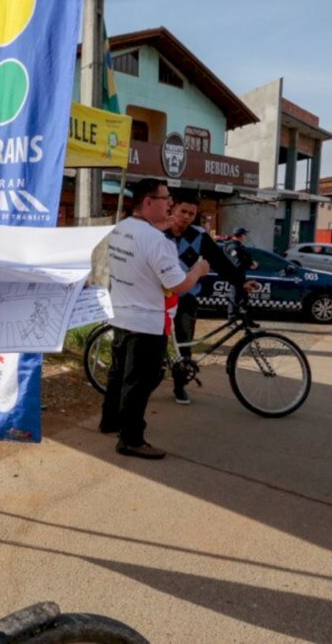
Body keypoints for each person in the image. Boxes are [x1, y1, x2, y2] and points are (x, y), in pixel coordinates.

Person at [99, 178, 210, 459]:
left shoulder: (121, 228)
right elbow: (177, 284)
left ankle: (110, 421)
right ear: (148, 202)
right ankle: (131, 439)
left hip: (122, 315)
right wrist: (198, 270)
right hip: (147, 321)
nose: (170, 204)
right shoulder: (156, 240)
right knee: (141, 382)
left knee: (119, 375)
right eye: (165, 199)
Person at [163, 194, 257, 405]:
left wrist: (241, 281)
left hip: (186, 297)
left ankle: (179, 386)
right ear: (173, 209)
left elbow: (220, 261)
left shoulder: (199, 235)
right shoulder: (159, 232)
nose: (186, 217)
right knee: (155, 341)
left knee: (184, 342)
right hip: (158, 298)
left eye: (191, 214)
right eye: (183, 211)